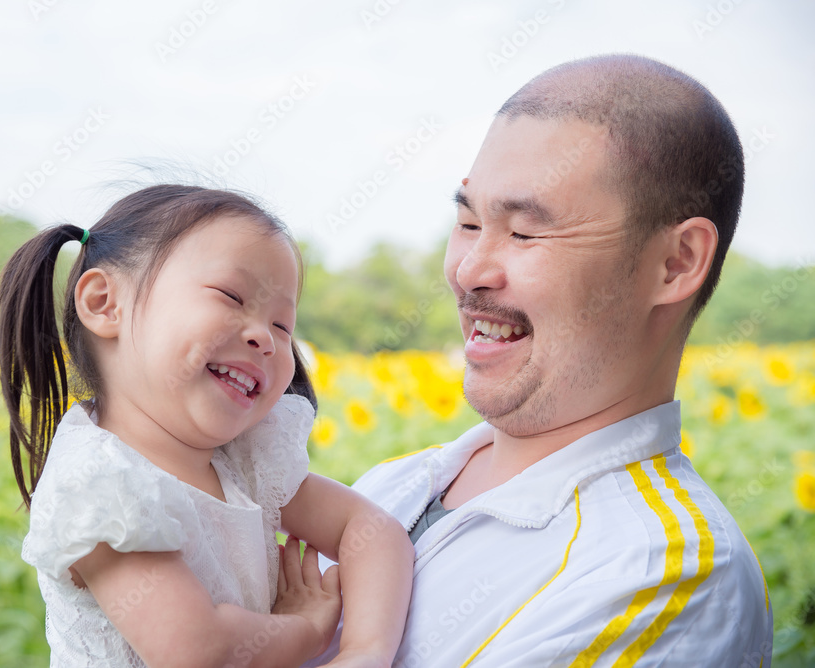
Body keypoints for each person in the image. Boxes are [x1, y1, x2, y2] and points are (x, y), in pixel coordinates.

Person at [308, 54, 773, 667]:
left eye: (524, 233)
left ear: (676, 262)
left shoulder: (661, 574)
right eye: (469, 221)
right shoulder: (392, 484)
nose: (469, 270)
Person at [0, 185, 413, 667]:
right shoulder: (100, 486)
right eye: (231, 296)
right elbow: (198, 651)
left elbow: (371, 530)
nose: (266, 339)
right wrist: (306, 629)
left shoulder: (241, 458)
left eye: (283, 325)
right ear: (105, 303)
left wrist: (365, 650)